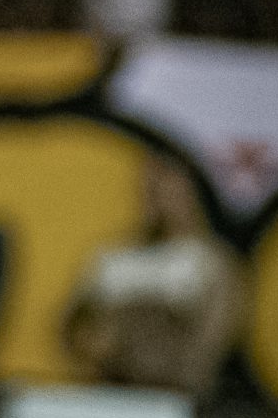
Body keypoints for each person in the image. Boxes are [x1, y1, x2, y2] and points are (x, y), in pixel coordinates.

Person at [63, 156, 245, 399]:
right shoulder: (115, 258)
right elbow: (76, 329)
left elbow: (211, 343)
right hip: (111, 394)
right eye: (154, 188)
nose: (162, 198)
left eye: (172, 188)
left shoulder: (212, 262)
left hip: (179, 400)